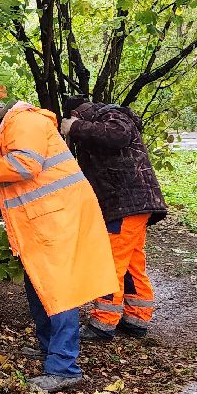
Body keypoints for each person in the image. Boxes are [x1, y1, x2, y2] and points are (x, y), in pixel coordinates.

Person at [0, 97, 117, 394]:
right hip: (45, 223)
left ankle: (64, 368)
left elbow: (24, 167)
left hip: (58, 222)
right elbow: (7, 185)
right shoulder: (9, 130)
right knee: (40, 289)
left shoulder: (24, 122)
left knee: (59, 294)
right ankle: (49, 350)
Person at [59, 95, 167, 341]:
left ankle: (103, 323)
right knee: (131, 263)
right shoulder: (100, 123)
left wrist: (74, 128)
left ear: (76, 114)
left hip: (124, 204)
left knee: (110, 262)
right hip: (132, 205)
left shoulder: (111, 116)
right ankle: (136, 318)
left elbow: (118, 134)